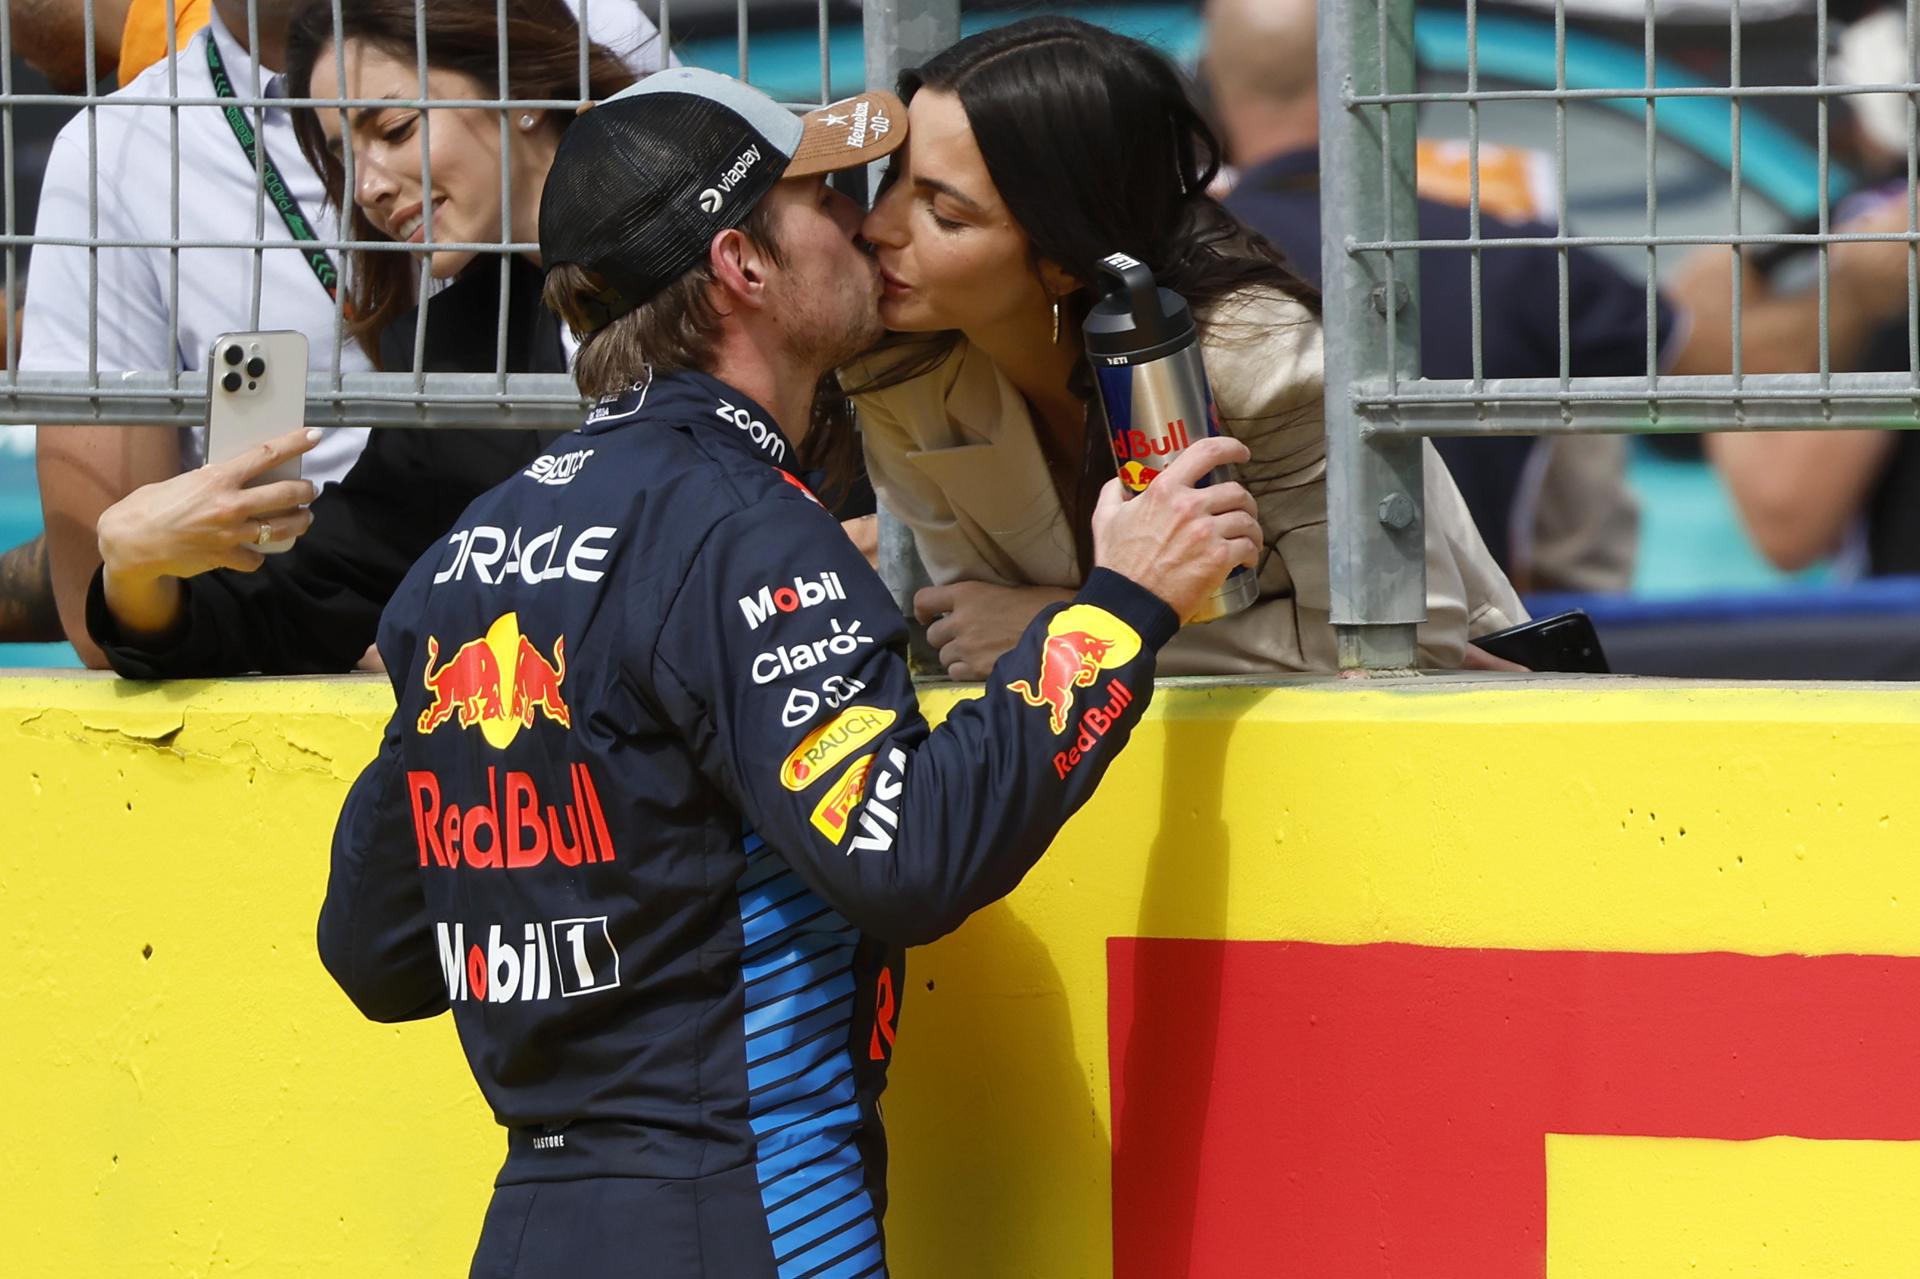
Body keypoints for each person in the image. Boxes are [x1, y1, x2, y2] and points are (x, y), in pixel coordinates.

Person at [321, 66, 1260, 1277]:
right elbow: (911, 852)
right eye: (824, 197)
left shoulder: (472, 553)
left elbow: (378, 947)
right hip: (748, 1211)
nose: (864, 224)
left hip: (533, 1228)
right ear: (741, 266)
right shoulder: (742, 528)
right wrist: (1121, 607)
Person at [846, 16, 1522, 679]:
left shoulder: (1255, 357)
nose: (877, 225)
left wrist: (1068, 626)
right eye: (893, 179)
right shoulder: (901, 375)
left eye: (945, 214)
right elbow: (980, 636)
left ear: (1064, 259)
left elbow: (1406, 641)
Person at [29, 0, 667, 668]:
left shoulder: (722, 259)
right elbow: (305, 594)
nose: (366, 188)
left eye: (394, 129)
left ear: (522, 90)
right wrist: (135, 570)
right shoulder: (456, 354)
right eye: (342, 155)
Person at [1203, 0, 1717, 595]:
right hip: (1466, 658)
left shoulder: (1172, 264)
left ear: (1207, 104)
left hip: (1240, 663)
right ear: (1402, 88)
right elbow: (1723, 365)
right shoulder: (1510, 255)